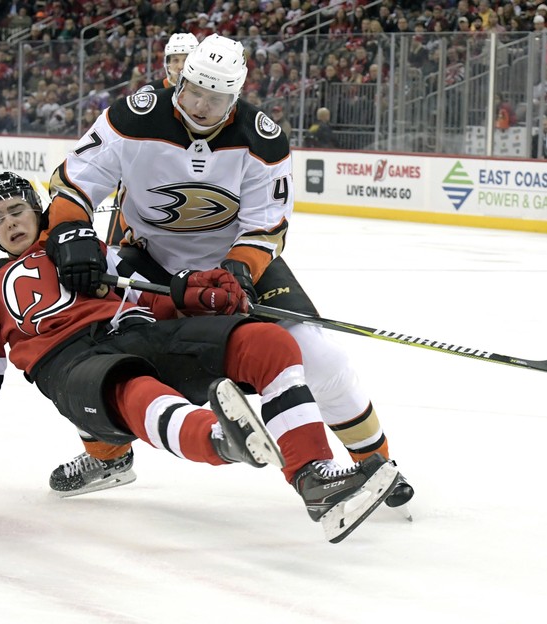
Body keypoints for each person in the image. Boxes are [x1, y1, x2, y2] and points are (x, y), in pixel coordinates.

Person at [0, 171, 400, 543]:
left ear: (39, 211)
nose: (8, 223)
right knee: (133, 388)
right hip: (70, 364)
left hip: (133, 333)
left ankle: (312, 476)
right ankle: (221, 440)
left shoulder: (85, 246)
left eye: (16, 210)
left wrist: (196, 298)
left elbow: (149, 296)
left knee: (268, 343)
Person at [43, 34, 413, 512]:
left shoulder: (261, 136)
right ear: (180, 78)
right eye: (193, 89)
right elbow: (75, 182)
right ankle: (107, 454)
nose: (200, 105)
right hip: (148, 253)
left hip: (233, 262)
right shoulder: (132, 116)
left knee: (323, 361)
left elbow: (265, 228)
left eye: (215, 98)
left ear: (235, 97)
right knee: (90, 339)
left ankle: (377, 465)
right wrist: (72, 234)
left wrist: (237, 271)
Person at [106, 32, 199, 245]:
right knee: (120, 249)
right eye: (175, 59)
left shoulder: (206, 98)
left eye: (186, 59)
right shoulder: (150, 93)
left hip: (187, 181)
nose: (180, 65)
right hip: (147, 180)